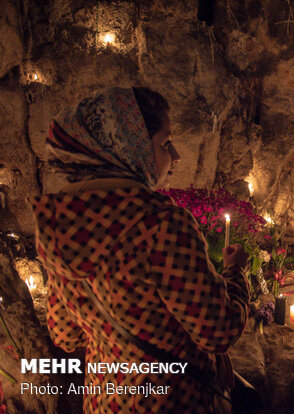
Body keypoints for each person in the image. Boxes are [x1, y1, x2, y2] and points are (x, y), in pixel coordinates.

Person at [31, 87, 250, 413]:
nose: (175, 155)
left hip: (106, 401)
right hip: (170, 400)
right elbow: (218, 330)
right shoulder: (160, 223)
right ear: (128, 147)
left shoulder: (60, 226)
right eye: (165, 143)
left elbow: (65, 335)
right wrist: (235, 273)